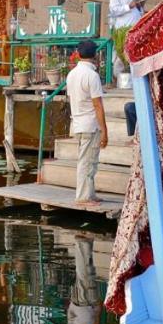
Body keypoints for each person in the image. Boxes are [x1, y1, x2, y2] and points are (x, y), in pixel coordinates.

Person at [66, 39, 108, 207]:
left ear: (79, 54)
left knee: (89, 160)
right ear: (95, 55)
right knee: (87, 161)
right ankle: (83, 197)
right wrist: (105, 130)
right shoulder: (92, 75)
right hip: (90, 123)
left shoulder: (72, 74)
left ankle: (89, 193)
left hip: (78, 121)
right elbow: (98, 105)